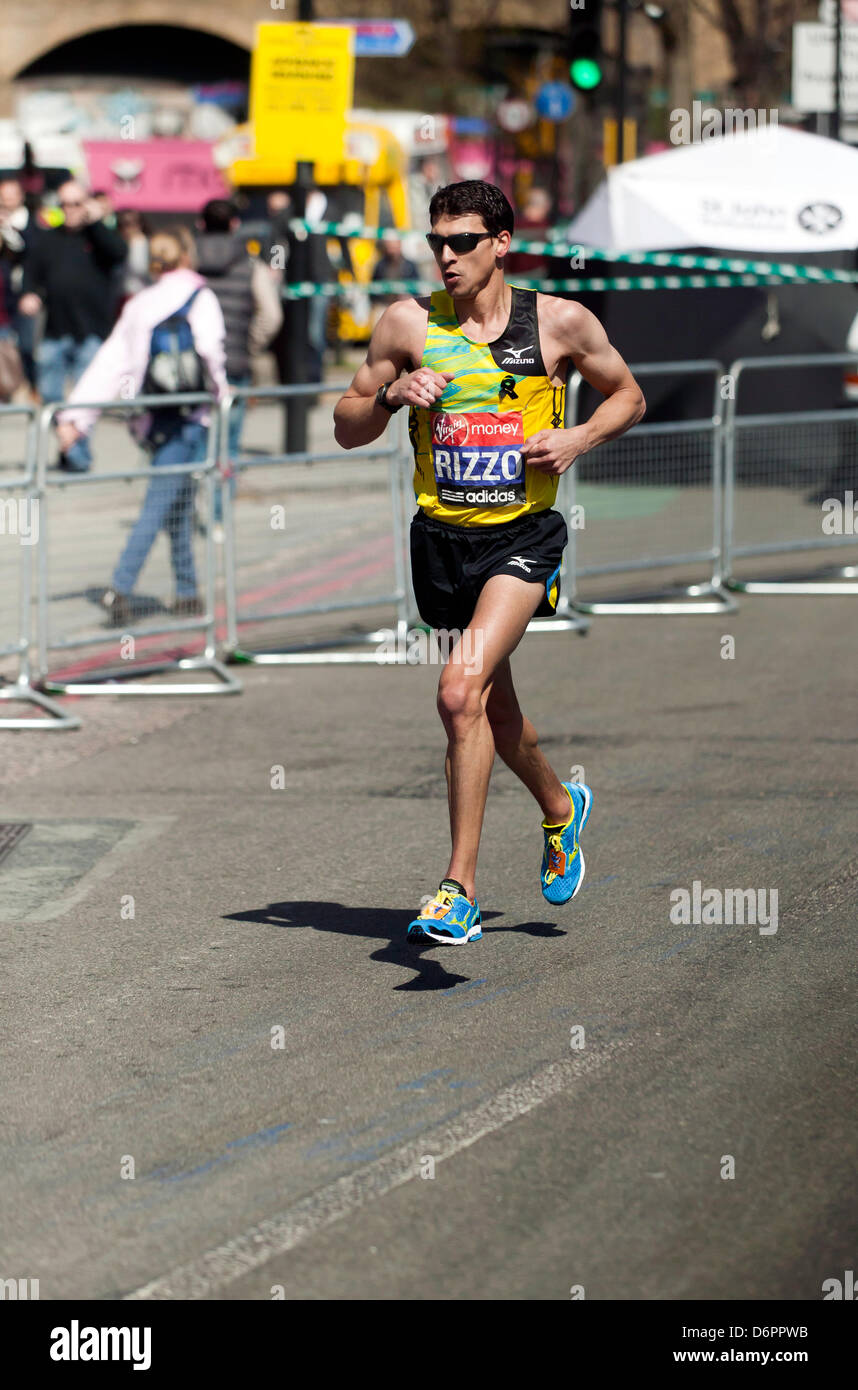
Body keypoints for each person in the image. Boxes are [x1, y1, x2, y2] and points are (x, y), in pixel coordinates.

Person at [334, 180, 645, 945]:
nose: (445, 256)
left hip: (521, 538)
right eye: (436, 242)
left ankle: (458, 889)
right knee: (491, 712)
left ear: (501, 243)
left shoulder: (560, 322)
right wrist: (391, 397)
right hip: (441, 542)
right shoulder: (409, 323)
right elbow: (346, 423)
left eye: (462, 242)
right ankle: (562, 810)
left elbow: (627, 397)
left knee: (457, 690)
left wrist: (575, 440)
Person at [55, 230, 227, 628]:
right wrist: (223, 394)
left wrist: (76, 419)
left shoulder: (141, 303)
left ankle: (186, 591)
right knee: (159, 502)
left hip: (155, 415)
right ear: (186, 254)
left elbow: (110, 363)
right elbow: (211, 351)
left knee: (178, 503)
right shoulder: (201, 297)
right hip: (189, 415)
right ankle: (121, 586)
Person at [19, 180, 127, 471]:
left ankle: (77, 457)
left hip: (91, 331)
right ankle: (69, 442)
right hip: (56, 329)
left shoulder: (100, 237)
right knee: (51, 394)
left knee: (83, 400)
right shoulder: (49, 239)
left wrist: (96, 222)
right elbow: (31, 272)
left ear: (87, 205)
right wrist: (29, 293)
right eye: (65, 204)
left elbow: (119, 254)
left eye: (76, 204)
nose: (70, 210)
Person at [195, 197, 282, 467]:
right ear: (235, 225)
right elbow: (272, 316)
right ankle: (219, 510)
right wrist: (250, 343)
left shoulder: (188, 261)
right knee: (228, 448)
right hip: (234, 363)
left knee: (195, 443)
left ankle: (190, 505)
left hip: (193, 365)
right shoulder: (250, 264)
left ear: (201, 225)